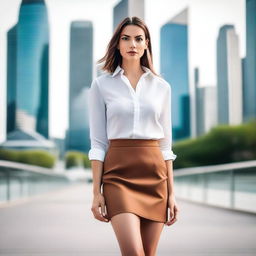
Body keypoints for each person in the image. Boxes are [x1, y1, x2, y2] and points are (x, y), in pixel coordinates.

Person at [88, 16, 179, 256]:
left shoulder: (162, 87)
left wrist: (171, 194)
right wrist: (96, 192)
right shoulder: (101, 85)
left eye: (139, 39)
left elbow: (166, 145)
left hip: (154, 176)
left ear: (146, 44)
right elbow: (98, 144)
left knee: (149, 254)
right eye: (125, 38)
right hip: (118, 176)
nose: (132, 44)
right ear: (117, 44)